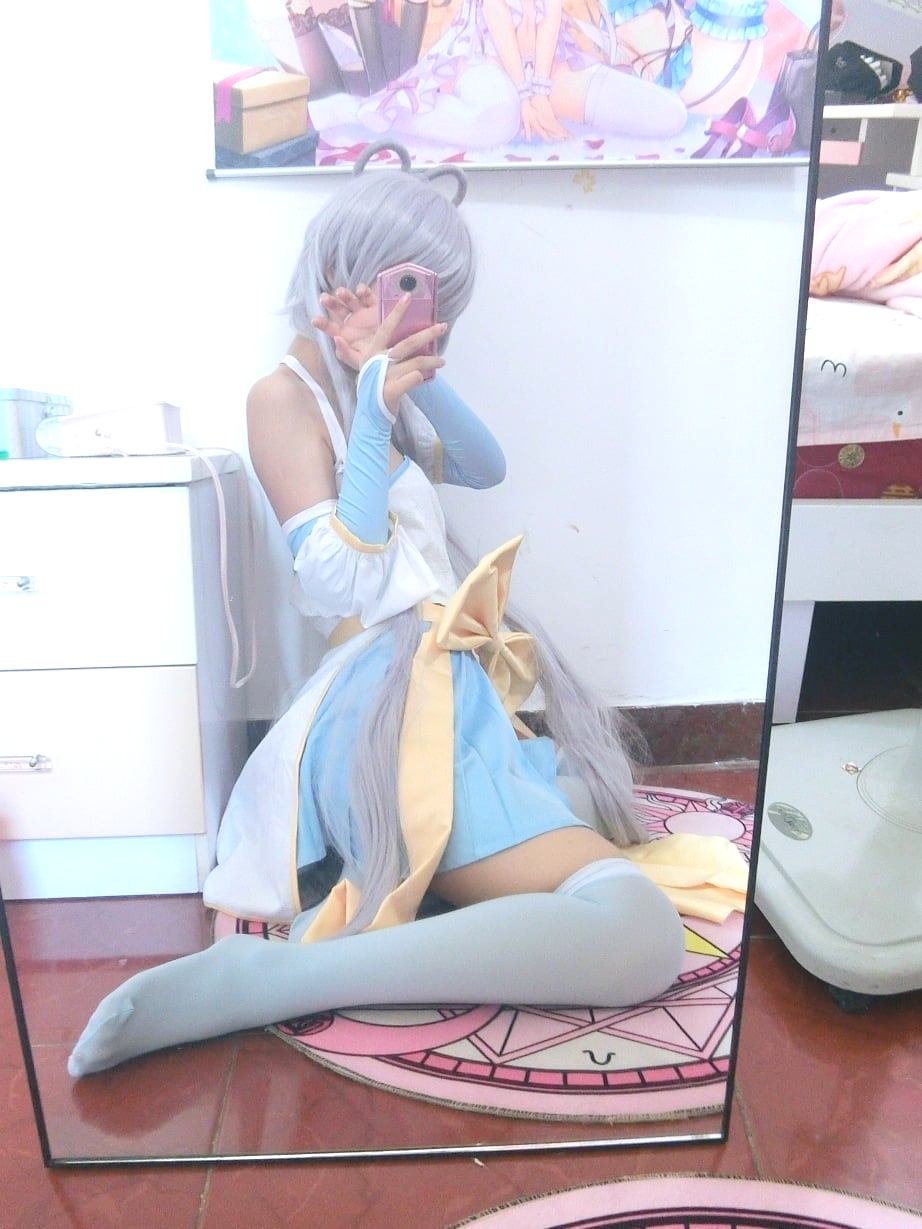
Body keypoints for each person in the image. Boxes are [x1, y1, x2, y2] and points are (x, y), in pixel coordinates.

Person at [67, 142, 685, 1078]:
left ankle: (421, 884)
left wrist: (408, 377)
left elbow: (485, 466)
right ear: (348, 273)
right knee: (640, 930)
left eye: (437, 301)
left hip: (440, 687)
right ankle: (280, 978)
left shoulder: (378, 392)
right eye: (415, 291)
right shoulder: (283, 397)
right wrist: (366, 410)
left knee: (574, 799)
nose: (432, 316)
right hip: (389, 701)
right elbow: (337, 582)